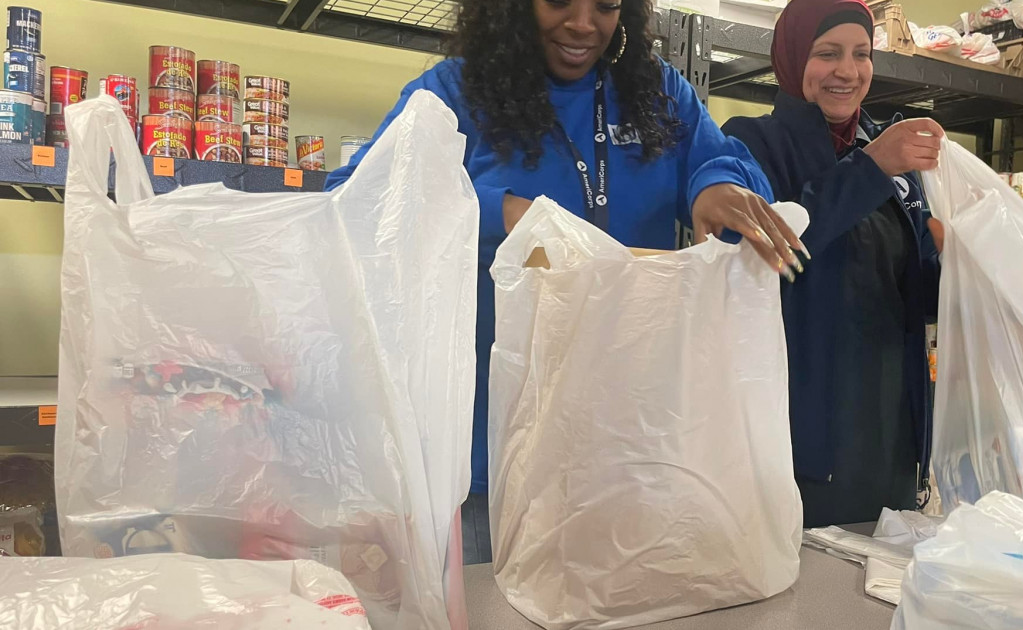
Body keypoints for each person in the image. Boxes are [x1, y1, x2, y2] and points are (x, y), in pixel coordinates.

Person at [326, 0, 802, 551]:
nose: (583, 24)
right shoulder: (456, 92)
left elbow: (728, 166)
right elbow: (356, 194)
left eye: (605, 6)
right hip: (491, 448)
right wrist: (502, 214)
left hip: (632, 444)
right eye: (558, 1)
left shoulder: (658, 93)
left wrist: (718, 182)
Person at [723, 0, 944, 527]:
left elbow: (913, 296)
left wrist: (958, 264)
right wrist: (871, 167)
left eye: (861, 54)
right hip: (803, 434)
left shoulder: (894, 156)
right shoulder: (752, 143)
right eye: (828, 53)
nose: (848, 70)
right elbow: (774, 248)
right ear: (794, 57)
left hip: (891, 432)